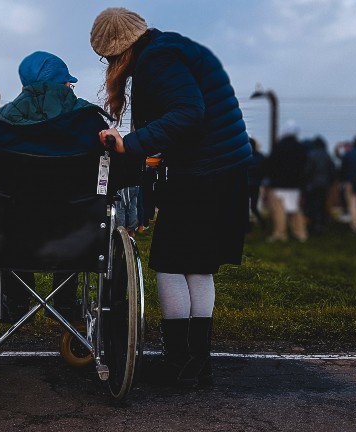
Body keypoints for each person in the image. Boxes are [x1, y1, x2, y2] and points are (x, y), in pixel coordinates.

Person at [90, 7, 252, 386]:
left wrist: (130, 144)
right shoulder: (173, 48)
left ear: (119, 50)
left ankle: (179, 361)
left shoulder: (157, 60)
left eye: (109, 57)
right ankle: (197, 363)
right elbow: (195, 114)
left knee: (169, 262)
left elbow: (187, 110)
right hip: (222, 169)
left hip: (203, 172)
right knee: (196, 264)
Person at [0, 51, 136, 322]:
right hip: (77, 238)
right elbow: (120, 175)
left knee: (10, 217)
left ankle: (16, 301)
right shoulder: (90, 122)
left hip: (12, 238)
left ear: (25, 86)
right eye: (69, 83)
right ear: (64, 85)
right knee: (73, 214)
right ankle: (65, 302)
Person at [264, 120, 308, 242]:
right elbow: (304, 167)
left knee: (279, 210)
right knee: (295, 210)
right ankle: (300, 233)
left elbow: (271, 165)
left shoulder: (278, 146)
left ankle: (280, 234)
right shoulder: (300, 148)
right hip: (295, 185)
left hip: (279, 184)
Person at [303, 136, 336, 236]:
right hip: (324, 184)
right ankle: (321, 225)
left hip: (312, 185)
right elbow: (332, 171)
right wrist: (330, 182)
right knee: (322, 205)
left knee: (313, 205)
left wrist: (306, 182)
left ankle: (314, 225)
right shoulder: (327, 155)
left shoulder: (311, 155)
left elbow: (307, 171)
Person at [247, 137, 267, 232]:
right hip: (256, 184)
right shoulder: (261, 156)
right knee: (254, 207)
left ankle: (248, 228)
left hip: (246, 184)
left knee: (244, 207)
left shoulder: (245, 157)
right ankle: (263, 224)